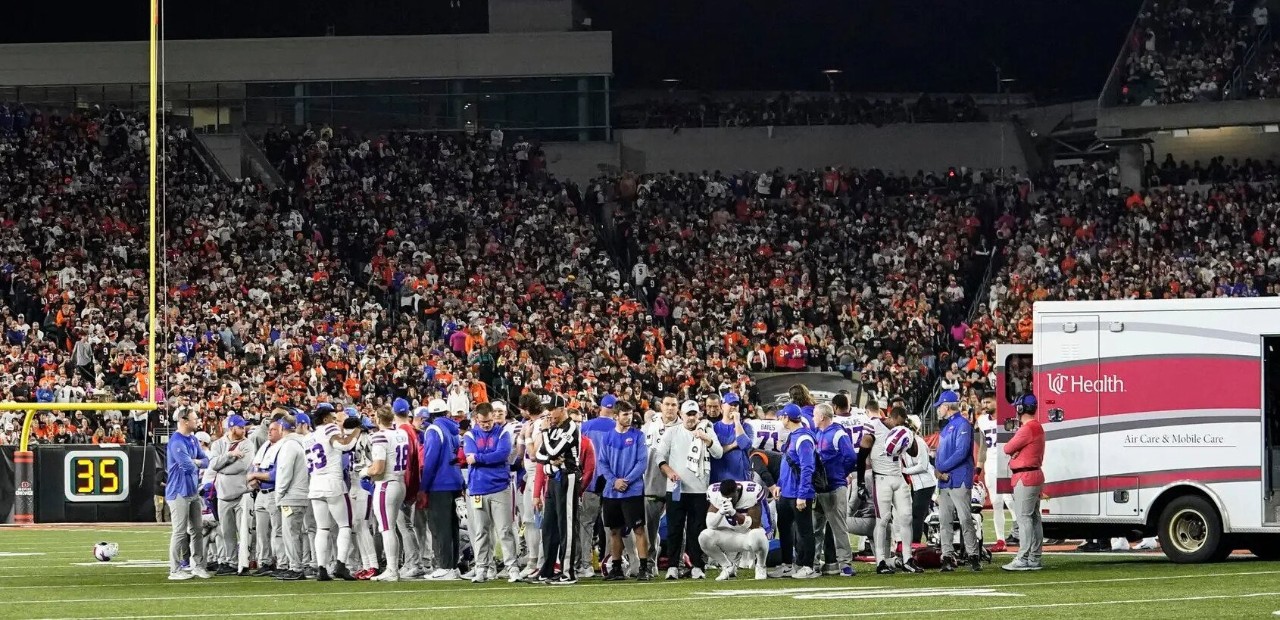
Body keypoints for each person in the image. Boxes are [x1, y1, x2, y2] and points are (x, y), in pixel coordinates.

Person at [656, 399, 723, 580]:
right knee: (674, 529)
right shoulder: (672, 432)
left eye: (694, 414)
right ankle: (672, 566)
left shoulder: (707, 430)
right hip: (676, 488)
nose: (691, 418)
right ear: (681, 415)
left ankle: (697, 566)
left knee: (697, 530)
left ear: (698, 415)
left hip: (699, 490)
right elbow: (659, 455)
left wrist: (707, 439)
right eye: (688, 414)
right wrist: (668, 471)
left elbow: (718, 453)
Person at [860, 405, 921, 574]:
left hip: (898, 476)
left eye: (902, 424)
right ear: (890, 417)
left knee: (906, 517)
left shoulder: (903, 430)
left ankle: (908, 558)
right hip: (881, 478)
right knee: (883, 520)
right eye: (897, 423)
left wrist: (910, 433)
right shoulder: (874, 426)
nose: (898, 427)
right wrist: (861, 482)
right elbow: (862, 454)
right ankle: (880, 561)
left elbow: (914, 453)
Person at [596, 401, 652, 581]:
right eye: (625, 414)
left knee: (638, 529)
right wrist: (614, 481)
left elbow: (642, 462)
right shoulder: (607, 437)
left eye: (630, 414)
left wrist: (625, 481)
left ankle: (644, 568)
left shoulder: (638, 436)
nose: (629, 417)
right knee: (614, 531)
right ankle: (616, 568)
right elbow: (602, 462)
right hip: (612, 491)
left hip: (632, 491)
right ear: (616, 416)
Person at [463, 402, 518, 583]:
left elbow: (502, 454)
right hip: (478, 488)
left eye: (488, 421)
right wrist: (487, 457)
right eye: (482, 422)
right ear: (476, 419)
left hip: (500, 487)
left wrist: (479, 457)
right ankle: (482, 568)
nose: (486, 425)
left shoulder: (503, 433)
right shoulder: (470, 435)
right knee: (481, 531)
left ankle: (512, 568)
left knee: (505, 530)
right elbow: (469, 456)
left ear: (493, 417)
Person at [532, 392, 584, 584]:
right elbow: (539, 454)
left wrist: (546, 436)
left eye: (551, 410)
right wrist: (550, 459)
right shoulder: (554, 429)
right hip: (553, 479)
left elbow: (553, 450)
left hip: (567, 478)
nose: (549, 414)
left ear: (561, 409)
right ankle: (547, 570)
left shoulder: (570, 427)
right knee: (549, 526)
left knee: (566, 525)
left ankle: (568, 571)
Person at [306, 403, 362, 581]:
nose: (335, 421)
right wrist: (357, 431)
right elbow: (344, 445)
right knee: (345, 525)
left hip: (315, 484)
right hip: (332, 482)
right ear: (325, 419)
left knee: (322, 528)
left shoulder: (308, 437)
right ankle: (341, 565)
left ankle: (322, 568)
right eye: (332, 418)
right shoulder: (329, 428)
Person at [933, 390, 980, 572]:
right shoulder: (950, 426)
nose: (938, 410)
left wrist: (941, 468)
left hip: (958, 478)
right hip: (947, 479)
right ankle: (947, 555)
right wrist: (939, 471)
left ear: (946, 406)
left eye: (940, 406)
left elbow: (961, 452)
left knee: (964, 518)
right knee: (945, 520)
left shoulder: (962, 424)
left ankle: (973, 555)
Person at [365, 407, 413, 581]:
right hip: (400, 482)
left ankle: (392, 569)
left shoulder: (380, 436)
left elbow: (378, 468)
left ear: (378, 419)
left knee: (386, 528)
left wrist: (365, 471)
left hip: (386, 484)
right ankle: (394, 567)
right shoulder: (401, 434)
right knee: (391, 528)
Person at [771, 403, 818, 579]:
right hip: (787, 491)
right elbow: (787, 464)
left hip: (798, 493)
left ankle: (808, 566)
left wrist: (802, 495)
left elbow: (807, 468)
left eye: (782, 416)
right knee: (784, 528)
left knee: (804, 530)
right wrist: (780, 484)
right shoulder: (794, 435)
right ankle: (787, 565)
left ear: (786, 417)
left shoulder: (803, 438)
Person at [812, 403, 857, 577]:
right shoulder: (818, 433)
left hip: (834, 487)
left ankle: (845, 563)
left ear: (822, 417)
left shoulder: (838, 433)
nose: (813, 418)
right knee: (815, 527)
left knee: (838, 527)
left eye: (815, 415)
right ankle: (814, 563)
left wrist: (841, 474)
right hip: (820, 488)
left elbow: (851, 456)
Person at [421, 397, 464, 580]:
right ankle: (453, 565)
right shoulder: (453, 429)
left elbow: (430, 459)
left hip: (439, 483)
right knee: (453, 526)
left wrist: (424, 486)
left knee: (441, 527)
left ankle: (445, 566)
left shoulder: (434, 429)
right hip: (455, 481)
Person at [166, 406, 212, 580]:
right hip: (178, 490)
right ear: (184, 421)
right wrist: (196, 462)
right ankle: (174, 569)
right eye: (194, 419)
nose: (197, 422)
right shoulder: (176, 441)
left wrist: (195, 461)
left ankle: (198, 565)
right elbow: (187, 466)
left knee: (197, 529)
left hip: (192, 489)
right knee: (179, 531)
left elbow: (206, 460)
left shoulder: (192, 439)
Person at [577, 393, 618, 579]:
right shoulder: (618, 427)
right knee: (612, 526)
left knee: (586, 524)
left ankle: (585, 564)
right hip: (612, 482)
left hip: (590, 481)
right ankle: (610, 562)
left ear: (600, 407)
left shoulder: (586, 426)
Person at [1002, 394, 1045, 571]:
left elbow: (1007, 448)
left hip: (1025, 477)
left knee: (1024, 518)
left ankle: (1023, 557)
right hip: (1033, 475)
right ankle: (1034, 557)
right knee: (1034, 518)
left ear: (1020, 409)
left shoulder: (1027, 429)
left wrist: (1015, 453)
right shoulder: (1037, 427)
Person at [209, 414, 254, 576]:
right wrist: (230, 455)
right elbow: (213, 464)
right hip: (223, 494)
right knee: (227, 532)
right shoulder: (218, 444)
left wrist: (222, 468)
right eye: (240, 427)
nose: (244, 430)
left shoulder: (247, 444)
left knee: (244, 531)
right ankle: (231, 562)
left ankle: (245, 562)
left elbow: (242, 466)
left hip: (243, 493)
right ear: (232, 428)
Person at [698, 478, 769, 581]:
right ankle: (727, 566)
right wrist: (721, 512)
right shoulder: (715, 494)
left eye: (731, 497)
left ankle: (761, 566)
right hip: (728, 535)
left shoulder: (751, 493)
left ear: (737, 491)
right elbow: (710, 525)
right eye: (725, 497)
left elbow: (755, 524)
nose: (728, 500)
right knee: (704, 537)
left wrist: (734, 513)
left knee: (757, 535)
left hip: (747, 536)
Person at [641, 395, 679, 571]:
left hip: (676, 482)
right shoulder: (650, 426)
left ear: (678, 408)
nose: (670, 408)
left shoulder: (683, 427)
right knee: (650, 526)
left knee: (677, 525)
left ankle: (677, 562)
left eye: (673, 405)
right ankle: (650, 563)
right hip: (652, 481)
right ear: (661, 406)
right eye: (667, 404)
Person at [274, 414, 310, 581]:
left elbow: (284, 472)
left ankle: (295, 567)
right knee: (302, 532)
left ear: (282, 428)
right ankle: (307, 563)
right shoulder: (303, 443)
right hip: (303, 493)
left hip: (291, 496)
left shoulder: (289, 446)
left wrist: (279, 494)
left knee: (290, 532)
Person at [977, 395, 1016, 551]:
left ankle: (1023, 531)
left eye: (988, 402)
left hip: (1007, 462)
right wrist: (978, 468)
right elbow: (983, 447)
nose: (985, 405)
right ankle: (1000, 540)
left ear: (996, 401)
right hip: (991, 464)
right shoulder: (982, 420)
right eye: (983, 402)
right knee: (996, 503)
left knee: (1010, 499)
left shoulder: (1008, 417)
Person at [900, 414, 936, 545]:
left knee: (917, 513)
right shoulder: (905, 443)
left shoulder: (919, 442)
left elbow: (923, 466)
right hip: (917, 484)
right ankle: (932, 538)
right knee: (923, 514)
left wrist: (905, 470)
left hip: (926, 483)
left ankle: (915, 542)